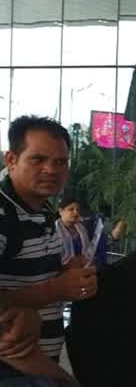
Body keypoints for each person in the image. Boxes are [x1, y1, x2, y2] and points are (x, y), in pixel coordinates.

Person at [1, 116, 96, 362]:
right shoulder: (3, 215)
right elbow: (45, 291)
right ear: (11, 160)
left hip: (36, 372)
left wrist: (64, 275)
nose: (51, 170)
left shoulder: (42, 212)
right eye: (38, 159)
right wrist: (55, 289)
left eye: (60, 162)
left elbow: (24, 280)